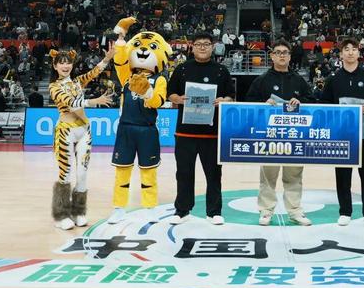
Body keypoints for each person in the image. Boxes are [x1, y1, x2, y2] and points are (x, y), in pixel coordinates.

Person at [107, 17, 173, 224]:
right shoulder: (127, 76)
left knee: (148, 172)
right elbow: (119, 61)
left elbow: (158, 102)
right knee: (122, 171)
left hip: (147, 130)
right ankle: (119, 208)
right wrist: (121, 38)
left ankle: (150, 207)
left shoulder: (160, 79)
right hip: (126, 128)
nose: (143, 52)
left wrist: (146, 92)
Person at [167, 32, 235, 225]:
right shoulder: (182, 69)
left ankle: (214, 212)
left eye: (206, 44)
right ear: (192, 47)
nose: (203, 47)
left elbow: (231, 96)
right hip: (185, 132)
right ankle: (182, 210)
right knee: (184, 173)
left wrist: (224, 100)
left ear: (212, 47)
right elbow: (170, 93)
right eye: (199, 44)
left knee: (213, 174)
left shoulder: (221, 70)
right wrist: (178, 99)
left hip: (211, 133)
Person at [245, 39, 315, 226]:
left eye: (285, 52)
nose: (282, 55)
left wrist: (301, 102)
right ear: (272, 56)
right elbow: (249, 102)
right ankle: (266, 211)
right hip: (269, 137)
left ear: (290, 56)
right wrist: (263, 104)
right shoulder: (262, 80)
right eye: (278, 52)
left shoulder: (299, 80)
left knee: (294, 176)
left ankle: (295, 211)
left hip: (294, 136)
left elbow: (312, 101)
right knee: (268, 176)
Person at [48, 46, 115, 230]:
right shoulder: (54, 87)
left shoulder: (78, 81)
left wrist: (107, 58)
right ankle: (61, 215)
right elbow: (71, 103)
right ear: (55, 66)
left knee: (82, 173)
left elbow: (94, 72)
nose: (65, 66)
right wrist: (94, 101)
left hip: (84, 131)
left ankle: (78, 212)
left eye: (68, 62)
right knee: (65, 173)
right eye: (61, 63)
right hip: (65, 132)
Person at [321, 38, 364, 227]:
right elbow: (324, 103)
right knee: (342, 174)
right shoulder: (333, 79)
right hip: (342, 135)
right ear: (341, 54)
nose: (350, 52)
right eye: (346, 49)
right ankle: (345, 211)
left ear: (358, 53)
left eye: (353, 49)